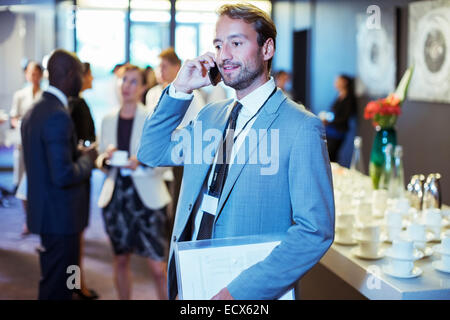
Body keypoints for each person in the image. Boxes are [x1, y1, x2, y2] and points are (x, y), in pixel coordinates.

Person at [137, 3, 334, 300]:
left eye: (236, 43)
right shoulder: (209, 116)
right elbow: (151, 151)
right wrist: (180, 89)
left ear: (266, 49)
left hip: (247, 291)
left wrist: (238, 292)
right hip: (190, 279)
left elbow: (314, 231)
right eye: (218, 44)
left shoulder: (301, 127)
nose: (224, 55)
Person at [21, 49, 98, 300]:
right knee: (57, 288)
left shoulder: (36, 109)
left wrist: (74, 151)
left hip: (51, 214)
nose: (82, 79)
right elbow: (63, 174)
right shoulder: (57, 115)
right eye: (79, 73)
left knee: (67, 279)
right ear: (68, 75)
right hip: (60, 218)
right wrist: (88, 160)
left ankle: (77, 290)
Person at [96, 64, 171, 300]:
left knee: (158, 269)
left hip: (147, 197)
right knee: (120, 260)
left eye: (132, 82)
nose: (126, 86)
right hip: (116, 196)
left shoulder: (152, 118)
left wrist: (142, 161)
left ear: (143, 87)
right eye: (123, 80)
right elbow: (99, 157)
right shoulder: (107, 119)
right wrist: (106, 159)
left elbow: (166, 161)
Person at [145, 48, 205, 233]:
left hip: (181, 158)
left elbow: (199, 127)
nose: (159, 71)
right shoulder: (153, 93)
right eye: (158, 66)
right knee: (159, 210)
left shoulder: (191, 94)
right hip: (159, 155)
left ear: (177, 67)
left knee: (178, 210)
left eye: (164, 66)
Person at [67, 61, 98, 300]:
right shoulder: (78, 105)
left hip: (76, 176)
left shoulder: (71, 103)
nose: (92, 79)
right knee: (75, 236)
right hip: (78, 176)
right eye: (89, 75)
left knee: (76, 235)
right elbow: (83, 143)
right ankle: (76, 284)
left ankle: (76, 282)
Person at [10, 61, 43, 236]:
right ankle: (28, 219)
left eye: (37, 73)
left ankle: (38, 218)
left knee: (37, 182)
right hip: (23, 143)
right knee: (22, 182)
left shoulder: (45, 95)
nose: (33, 76)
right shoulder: (20, 95)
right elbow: (14, 117)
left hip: (39, 144)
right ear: (26, 74)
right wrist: (21, 125)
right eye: (30, 73)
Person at [322, 74, 357, 162]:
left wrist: (330, 122)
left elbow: (345, 117)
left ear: (345, 82)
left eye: (338, 81)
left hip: (338, 131)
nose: (336, 83)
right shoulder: (339, 96)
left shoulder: (349, 99)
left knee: (331, 154)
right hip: (330, 130)